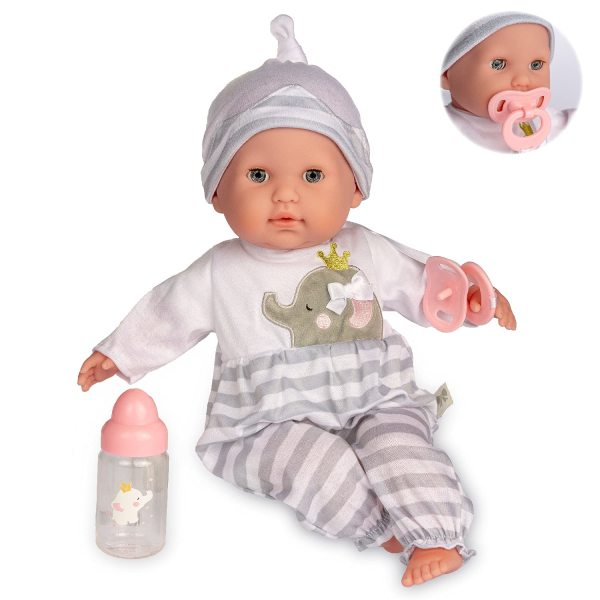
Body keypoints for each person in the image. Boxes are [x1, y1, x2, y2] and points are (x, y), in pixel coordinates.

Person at [78, 15, 516, 587]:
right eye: (259, 174)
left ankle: (438, 533)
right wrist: (121, 353)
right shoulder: (219, 270)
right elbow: (167, 313)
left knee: (397, 445)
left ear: (355, 187)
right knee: (311, 465)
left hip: (374, 399)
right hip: (266, 420)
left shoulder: (365, 250)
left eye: (312, 175)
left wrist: (476, 299)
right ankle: (382, 528)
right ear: (217, 191)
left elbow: (426, 287)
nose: (285, 194)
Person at [441, 12, 575, 152]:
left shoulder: (551, 123)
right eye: (498, 64)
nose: (523, 79)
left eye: (536, 65)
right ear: (446, 75)